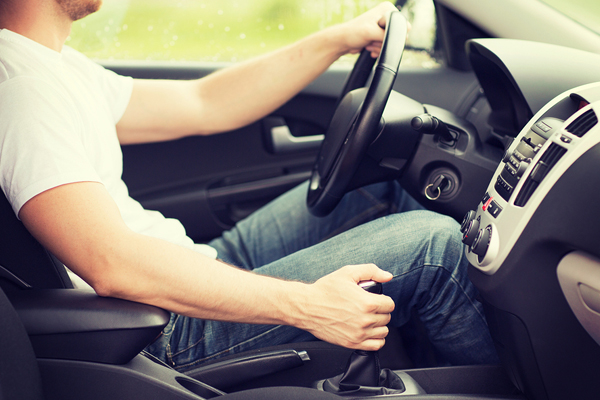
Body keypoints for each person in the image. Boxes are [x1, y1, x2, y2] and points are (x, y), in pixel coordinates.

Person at [0, 0, 498, 371]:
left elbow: (205, 103)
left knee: (383, 185)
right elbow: (111, 263)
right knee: (434, 247)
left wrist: (337, 39)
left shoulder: (56, 66)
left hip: (187, 266)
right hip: (155, 328)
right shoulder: (21, 88)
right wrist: (308, 304)